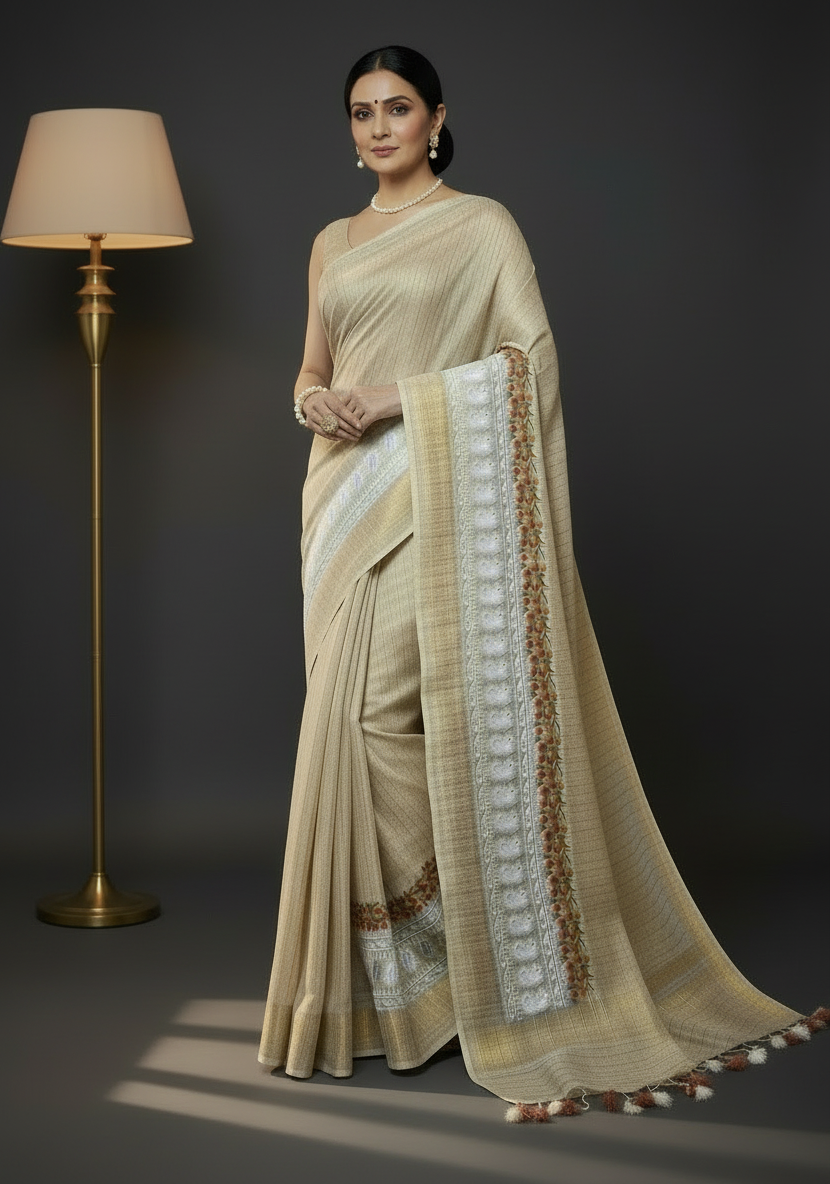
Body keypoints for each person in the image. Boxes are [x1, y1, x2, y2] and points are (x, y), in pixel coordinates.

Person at [258, 45, 825, 1121]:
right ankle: (405, 995)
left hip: (427, 492)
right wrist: (312, 402)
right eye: (362, 112)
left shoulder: (482, 226)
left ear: (436, 119)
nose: (378, 128)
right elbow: (311, 363)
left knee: (382, 718)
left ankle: (469, 965)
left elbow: (529, 360)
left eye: (397, 108)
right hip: (338, 501)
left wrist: (397, 399)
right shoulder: (332, 240)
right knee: (341, 727)